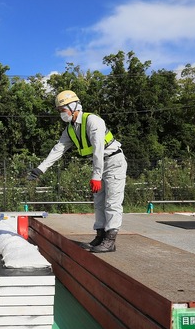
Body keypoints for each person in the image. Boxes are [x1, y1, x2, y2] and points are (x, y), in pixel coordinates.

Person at [27, 90, 127, 253]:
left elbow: (98, 150)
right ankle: (101, 235)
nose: (61, 114)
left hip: (113, 161)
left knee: (112, 201)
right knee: (99, 201)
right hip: (99, 164)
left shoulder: (93, 121)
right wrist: (40, 169)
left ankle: (110, 240)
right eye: (59, 111)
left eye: (62, 110)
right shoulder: (70, 129)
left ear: (73, 106)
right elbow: (58, 149)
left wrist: (96, 175)